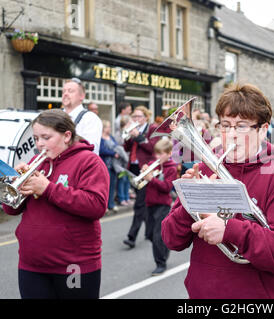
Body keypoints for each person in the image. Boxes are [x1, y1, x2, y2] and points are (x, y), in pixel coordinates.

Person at [161, 83, 274, 299]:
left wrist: (229, 229)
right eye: (225, 125)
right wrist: (190, 202)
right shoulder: (204, 170)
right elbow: (171, 240)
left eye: (241, 126)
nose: (231, 135)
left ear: (264, 129)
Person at [2, 109, 109, 299]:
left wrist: (48, 189)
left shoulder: (90, 161)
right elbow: (11, 209)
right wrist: (13, 185)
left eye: (46, 137)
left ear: (67, 136)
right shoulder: (36, 162)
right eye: (36, 138)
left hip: (74, 265)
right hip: (31, 264)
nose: (39, 144)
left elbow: (96, 206)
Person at [123, 106, 160, 248]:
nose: (135, 119)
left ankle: (131, 237)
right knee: (143, 202)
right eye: (134, 117)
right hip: (133, 167)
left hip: (146, 169)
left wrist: (138, 135)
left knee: (139, 204)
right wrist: (128, 135)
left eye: (138, 117)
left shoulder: (152, 129)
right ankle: (149, 230)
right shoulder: (133, 128)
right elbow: (126, 148)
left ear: (145, 117)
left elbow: (153, 147)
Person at [142, 139, 178, 276]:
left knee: (157, 236)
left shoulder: (172, 169)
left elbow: (167, 187)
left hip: (163, 204)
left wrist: (152, 179)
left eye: (160, 154)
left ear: (169, 154)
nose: (157, 157)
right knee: (150, 235)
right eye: (156, 154)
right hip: (149, 203)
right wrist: (145, 171)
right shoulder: (153, 164)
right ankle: (164, 249)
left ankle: (160, 263)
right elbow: (144, 179)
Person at [61, 78, 102, 155]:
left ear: (82, 96)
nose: (65, 94)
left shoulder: (90, 119)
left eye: (70, 91)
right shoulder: (56, 116)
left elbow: (90, 150)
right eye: (63, 91)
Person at [100, 120, 119, 213]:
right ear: (103, 128)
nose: (110, 129)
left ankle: (111, 204)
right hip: (105, 164)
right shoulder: (100, 138)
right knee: (105, 187)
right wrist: (113, 153)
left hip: (113, 165)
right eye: (108, 127)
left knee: (112, 185)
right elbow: (101, 150)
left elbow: (117, 146)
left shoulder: (111, 137)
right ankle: (105, 205)